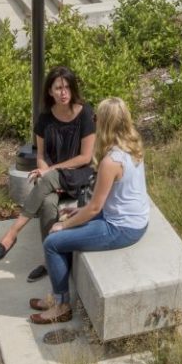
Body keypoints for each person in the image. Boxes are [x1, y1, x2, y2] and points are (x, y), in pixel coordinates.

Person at [32, 96, 148, 326]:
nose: (92, 120)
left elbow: (95, 207)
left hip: (121, 228)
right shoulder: (133, 145)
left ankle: (61, 306)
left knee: (53, 242)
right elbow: (101, 202)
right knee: (68, 224)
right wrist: (79, 213)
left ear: (103, 123)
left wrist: (63, 225)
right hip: (135, 218)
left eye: (95, 117)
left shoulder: (111, 161)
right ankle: (58, 297)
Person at [0, 67, 95, 277]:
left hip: (79, 175)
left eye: (66, 87)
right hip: (52, 178)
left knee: (49, 179)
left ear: (72, 89)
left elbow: (85, 157)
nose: (63, 92)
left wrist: (49, 171)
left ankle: (13, 233)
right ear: (50, 92)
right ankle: (50, 259)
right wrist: (45, 169)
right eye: (58, 88)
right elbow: (41, 155)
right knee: (46, 203)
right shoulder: (45, 117)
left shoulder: (85, 113)